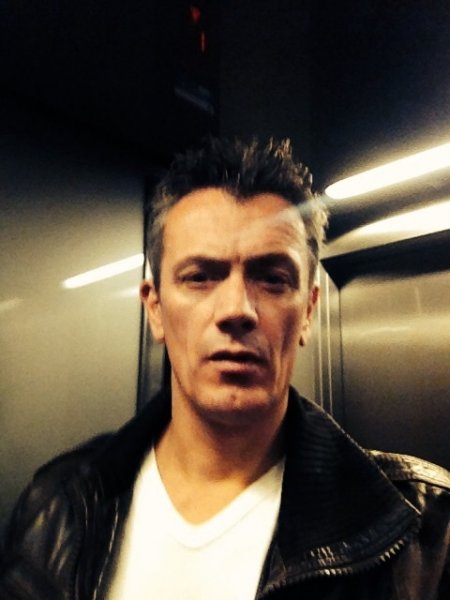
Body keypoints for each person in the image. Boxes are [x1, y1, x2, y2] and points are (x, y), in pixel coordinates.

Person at [1, 137, 449, 599]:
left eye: (272, 279)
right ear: (155, 309)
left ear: (309, 310)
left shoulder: (427, 534)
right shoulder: (58, 505)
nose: (237, 309)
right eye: (199, 277)